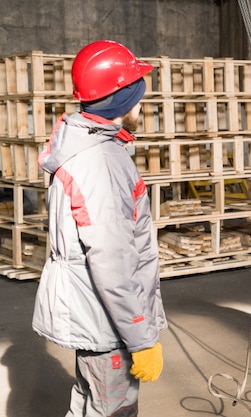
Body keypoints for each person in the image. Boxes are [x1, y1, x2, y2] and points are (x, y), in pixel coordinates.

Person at [32, 40, 167, 417]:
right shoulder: (102, 163)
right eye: (138, 93)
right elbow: (112, 260)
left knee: (89, 403)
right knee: (113, 409)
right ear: (121, 100)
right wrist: (141, 339)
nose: (142, 104)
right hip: (107, 323)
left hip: (93, 312)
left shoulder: (82, 143)